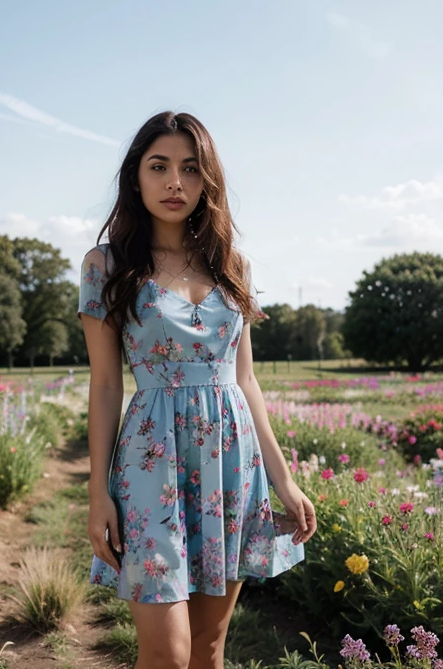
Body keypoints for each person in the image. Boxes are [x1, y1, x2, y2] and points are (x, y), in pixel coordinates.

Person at [77, 111, 317, 669]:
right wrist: (97, 492)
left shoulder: (232, 266)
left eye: (190, 168)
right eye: (158, 166)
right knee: (167, 651)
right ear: (135, 176)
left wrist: (284, 480)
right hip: (149, 463)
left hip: (230, 464)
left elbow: (246, 380)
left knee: (209, 651)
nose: (174, 182)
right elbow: (106, 383)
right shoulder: (107, 265)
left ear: (208, 180)